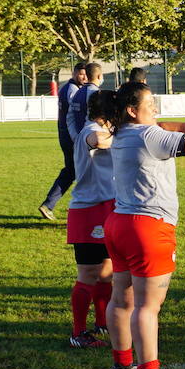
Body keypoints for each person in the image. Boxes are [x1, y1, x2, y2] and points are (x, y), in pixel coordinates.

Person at [103, 81, 185, 369]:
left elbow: (168, 126)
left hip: (119, 223)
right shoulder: (148, 135)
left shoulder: (122, 132)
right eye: (150, 104)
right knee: (148, 306)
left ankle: (122, 362)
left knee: (121, 298)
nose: (155, 109)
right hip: (148, 228)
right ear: (132, 110)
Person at [65, 89, 118, 348]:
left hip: (109, 207)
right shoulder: (91, 130)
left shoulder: (108, 129)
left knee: (107, 271)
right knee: (88, 273)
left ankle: (102, 322)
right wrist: (122, 134)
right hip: (88, 211)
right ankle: (78, 333)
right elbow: (97, 140)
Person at [39, 62, 87, 220]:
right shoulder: (73, 90)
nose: (84, 77)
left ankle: (50, 205)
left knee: (71, 171)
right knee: (81, 171)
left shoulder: (67, 88)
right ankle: (77, 207)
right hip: (71, 137)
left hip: (66, 135)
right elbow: (77, 115)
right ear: (74, 73)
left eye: (86, 74)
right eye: (81, 74)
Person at [67, 62, 105, 143]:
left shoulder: (78, 92)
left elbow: (70, 117)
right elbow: (99, 119)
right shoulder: (95, 93)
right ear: (99, 76)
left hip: (79, 139)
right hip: (92, 139)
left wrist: (75, 137)